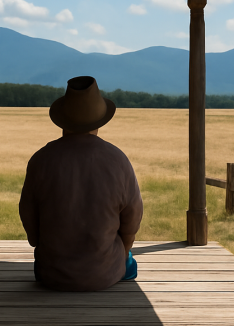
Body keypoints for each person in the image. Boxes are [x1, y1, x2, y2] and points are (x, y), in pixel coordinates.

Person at [19, 76, 144, 291]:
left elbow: (28, 213)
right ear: (100, 121)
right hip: (106, 273)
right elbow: (132, 219)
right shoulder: (118, 159)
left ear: (62, 119)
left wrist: (41, 246)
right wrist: (123, 254)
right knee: (131, 265)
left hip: (51, 273)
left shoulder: (41, 159)